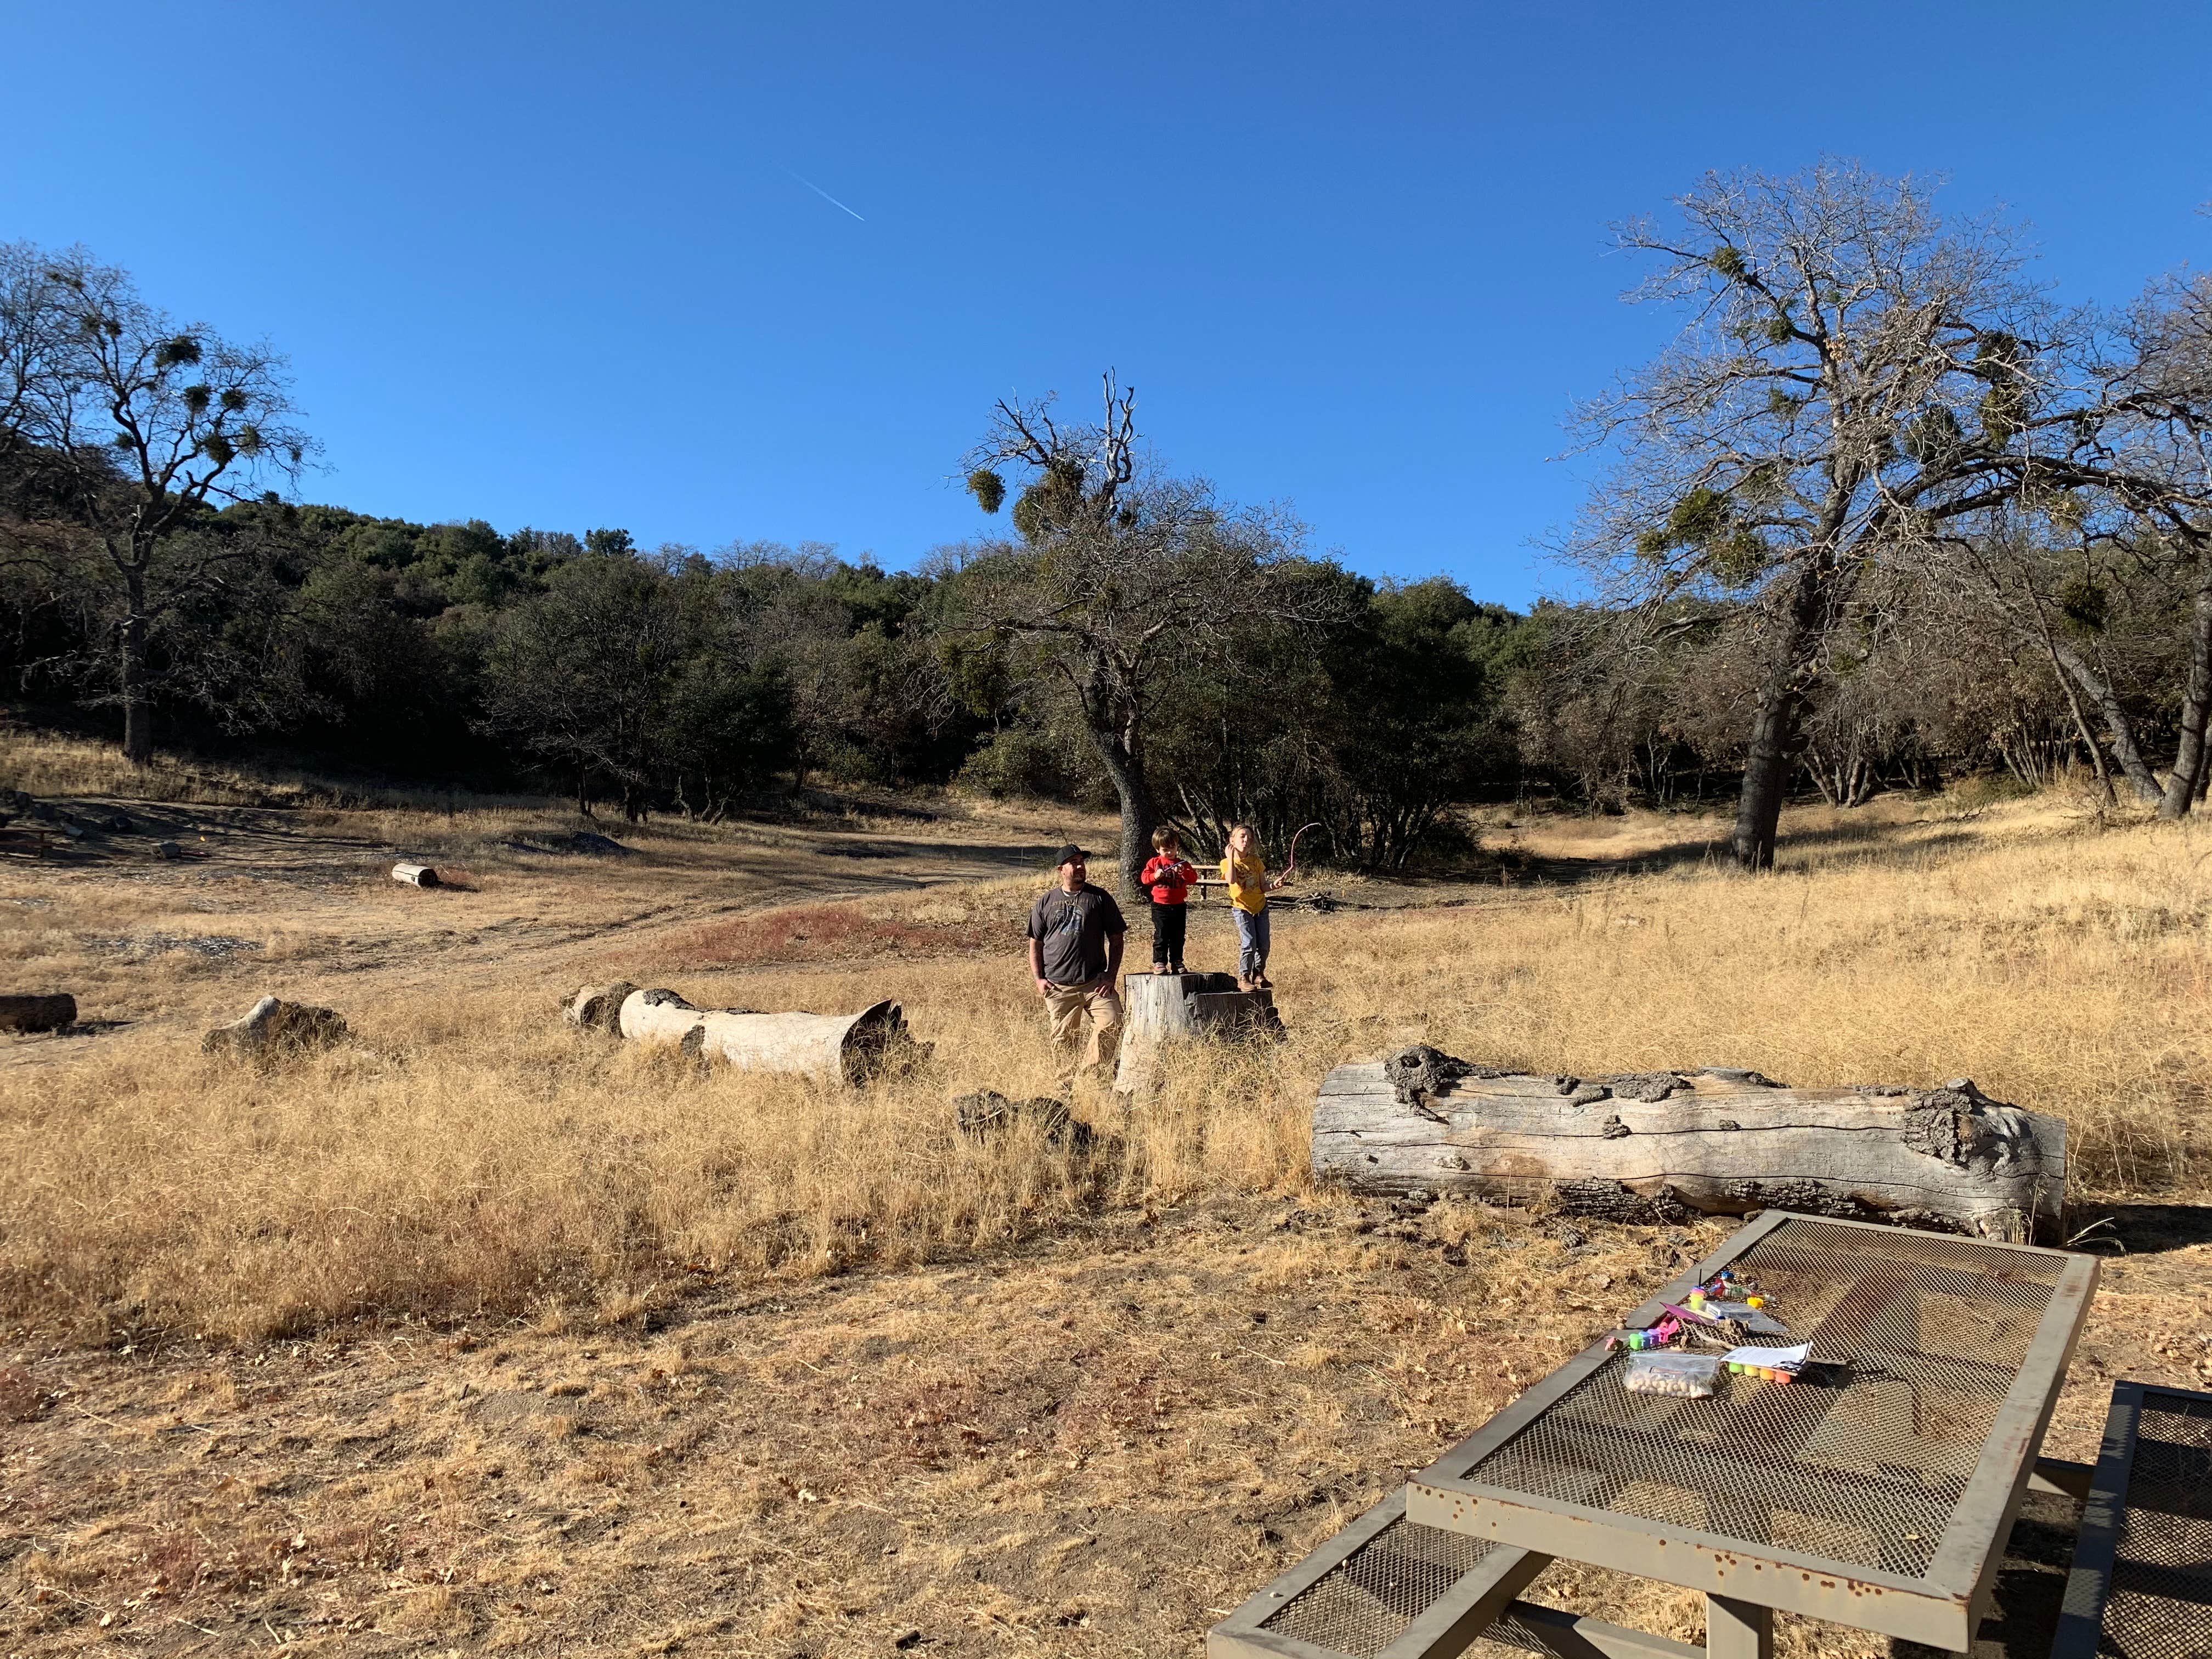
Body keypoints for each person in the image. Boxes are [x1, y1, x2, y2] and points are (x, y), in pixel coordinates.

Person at [1026, 843, 1127, 1086]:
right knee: (1063, 1041)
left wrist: (1111, 976)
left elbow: (1116, 938)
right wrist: (1039, 980)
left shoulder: (1100, 898)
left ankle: (1089, 1078)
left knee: (1113, 1021)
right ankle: (1066, 1090)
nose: (1080, 867)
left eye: (1082, 861)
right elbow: (1035, 944)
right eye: (1074, 863)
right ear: (1061, 869)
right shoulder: (1046, 902)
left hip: (1095, 983)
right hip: (1059, 987)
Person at [1220, 823, 1289, 991]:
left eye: (1250, 838)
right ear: (1232, 840)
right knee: (1249, 943)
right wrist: (1230, 858)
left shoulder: (1256, 861)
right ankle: (1244, 977)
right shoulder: (1226, 862)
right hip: (1242, 908)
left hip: (1261, 907)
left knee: (1264, 944)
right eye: (1242, 836)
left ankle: (1259, 974)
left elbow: (1263, 885)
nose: (1246, 840)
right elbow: (1231, 880)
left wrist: (1274, 885)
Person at [1138, 826, 1197, 975]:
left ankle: (1177, 961)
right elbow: (1145, 879)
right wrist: (1155, 876)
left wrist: (1183, 873)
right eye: (1166, 849)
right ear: (1158, 849)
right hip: (1160, 905)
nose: (1170, 852)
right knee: (1162, 934)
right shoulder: (1154, 863)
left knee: (1178, 935)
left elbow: (1193, 878)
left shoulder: (1183, 864)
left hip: (1179, 905)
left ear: (1178, 846)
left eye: (1173, 848)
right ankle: (1159, 962)